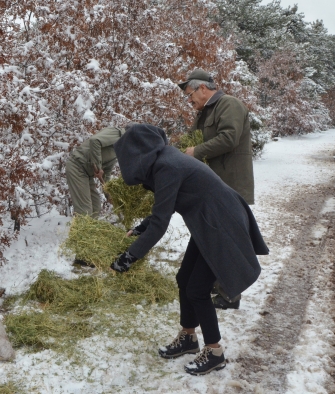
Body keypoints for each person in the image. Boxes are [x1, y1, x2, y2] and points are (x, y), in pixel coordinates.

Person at [109, 124, 268, 375]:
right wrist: (141, 229)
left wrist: (131, 256)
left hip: (220, 223)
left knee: (197, 289)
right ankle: (188, 338)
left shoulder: (167, 166)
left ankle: (215, 352)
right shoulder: (165, 160)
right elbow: (164, 208)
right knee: (184, 279)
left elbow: (161, 223)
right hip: (209, 221)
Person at [179, 69, 255, 310]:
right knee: (210, 237)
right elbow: (192, 140)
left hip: (230, 185)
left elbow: (229, 138)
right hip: (214, 187)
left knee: (226, 241)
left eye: (190, 95)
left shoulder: (228, 104)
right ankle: (210, 283)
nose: (189, 101)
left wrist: (196, 152)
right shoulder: (205, 112)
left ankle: (229, 295)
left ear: (203, 88)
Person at [65, 126, 126, 218]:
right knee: (85, 210)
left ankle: (89, 232)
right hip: (77, 166)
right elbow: (95, 141)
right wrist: (98, 166)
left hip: (86, 174)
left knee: (95, 206)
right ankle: (81, 231)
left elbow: (106, 173)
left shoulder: (120, 147)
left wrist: (109, 194)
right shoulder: (118, 134)